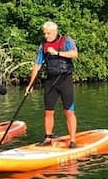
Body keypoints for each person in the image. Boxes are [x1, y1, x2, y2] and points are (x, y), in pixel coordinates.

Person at [25, 20, 78, 148]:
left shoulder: (66, 40)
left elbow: (75, 54)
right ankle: (48, 137)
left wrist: (57, 53)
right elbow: (37, 65)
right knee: (48, 111)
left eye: (48, 33)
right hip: (50, 80)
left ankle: (72, 140)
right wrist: (30, 85)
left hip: (65, 79)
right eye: (44, 33)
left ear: (55, 32)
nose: (46, 36)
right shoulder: (43, 46)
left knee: (68, 111)